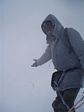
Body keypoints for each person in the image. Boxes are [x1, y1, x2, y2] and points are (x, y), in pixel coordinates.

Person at [31, 14, 84, 112]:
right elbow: (47, 55)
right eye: (45, 28)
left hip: (74, 75)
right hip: (61, 79)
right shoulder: (52, 42)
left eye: (49, 25)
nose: (47, 29)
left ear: (55, 23)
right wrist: (38, 62)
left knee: (63, 106)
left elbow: (82, 52)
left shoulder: (68, 33)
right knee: (58, 105)